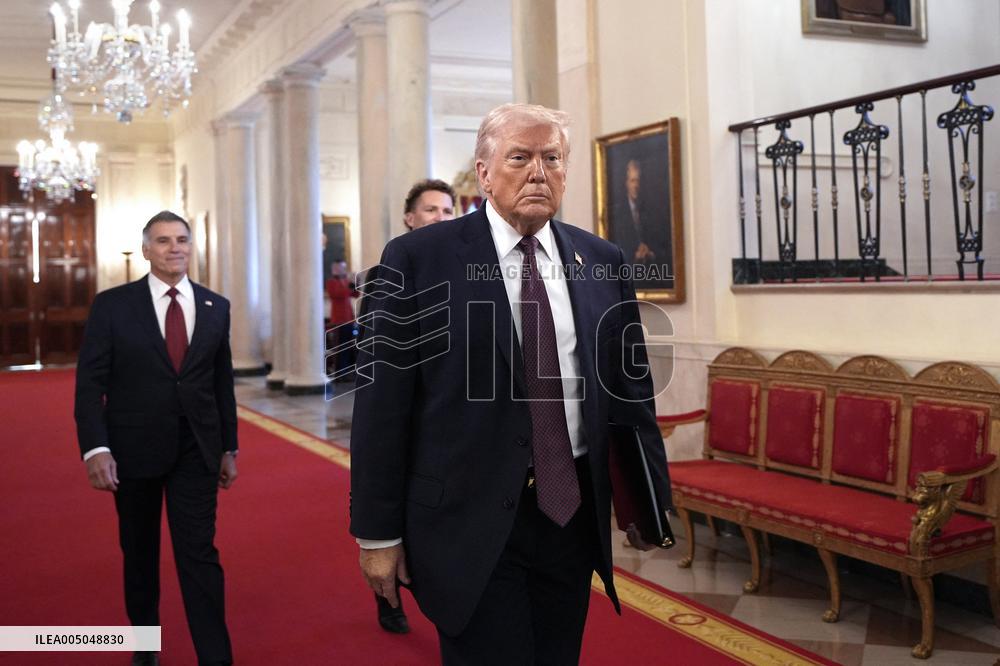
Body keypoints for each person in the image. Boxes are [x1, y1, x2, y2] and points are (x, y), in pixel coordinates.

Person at [349, 103, 671, 665]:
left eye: (553, 158)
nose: (538, 172)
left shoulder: (601, 259)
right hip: (465, 516)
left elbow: (630, 393)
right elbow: (381, 407)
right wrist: (376, 534)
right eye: (520, 157)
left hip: (569, 512)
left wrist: (648, 502)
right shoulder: (417, 259)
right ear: (484, 171)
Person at [75, 210, 238, 666]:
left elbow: (219, 382)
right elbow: (90, 384)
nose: (175, 248)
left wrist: (230, 446)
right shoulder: (112, 306)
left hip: (196, 451)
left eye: (182, 239)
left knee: (199, 555)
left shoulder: (215, 306)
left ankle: (215, 655)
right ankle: (145, 645)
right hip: (132, 451)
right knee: (140, 552)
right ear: (146, 250)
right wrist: (96, 447)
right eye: (164, 241)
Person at [363, 178, 457, 634]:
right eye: (431, 210)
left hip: (444, 427)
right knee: (391, 510)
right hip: (404, 418)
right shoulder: (393, 270)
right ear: (410, 218)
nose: (439, 218)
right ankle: (387, 598)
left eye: (447, 211)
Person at [613, 159, 671, 277]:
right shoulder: (617, 214)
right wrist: (634, 255)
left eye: (638, 181)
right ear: (626, 183)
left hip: (651, 274)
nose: (636, 185)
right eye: (632, 181)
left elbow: (663, 244)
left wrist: (650, 252)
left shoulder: (652, 211)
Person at [326, 260, 360, 381]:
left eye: (344, 268)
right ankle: (340, 373)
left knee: (348, 347)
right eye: (341, 268)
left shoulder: (346, 281)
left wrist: (356, 283)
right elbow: (338, 294)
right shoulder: (331, 282)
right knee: (340, 348)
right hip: (338, 321)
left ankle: (347, 372)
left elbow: (355, 294)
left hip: (349, 320)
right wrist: (349, 285)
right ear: (335, 269)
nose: (343, 270)